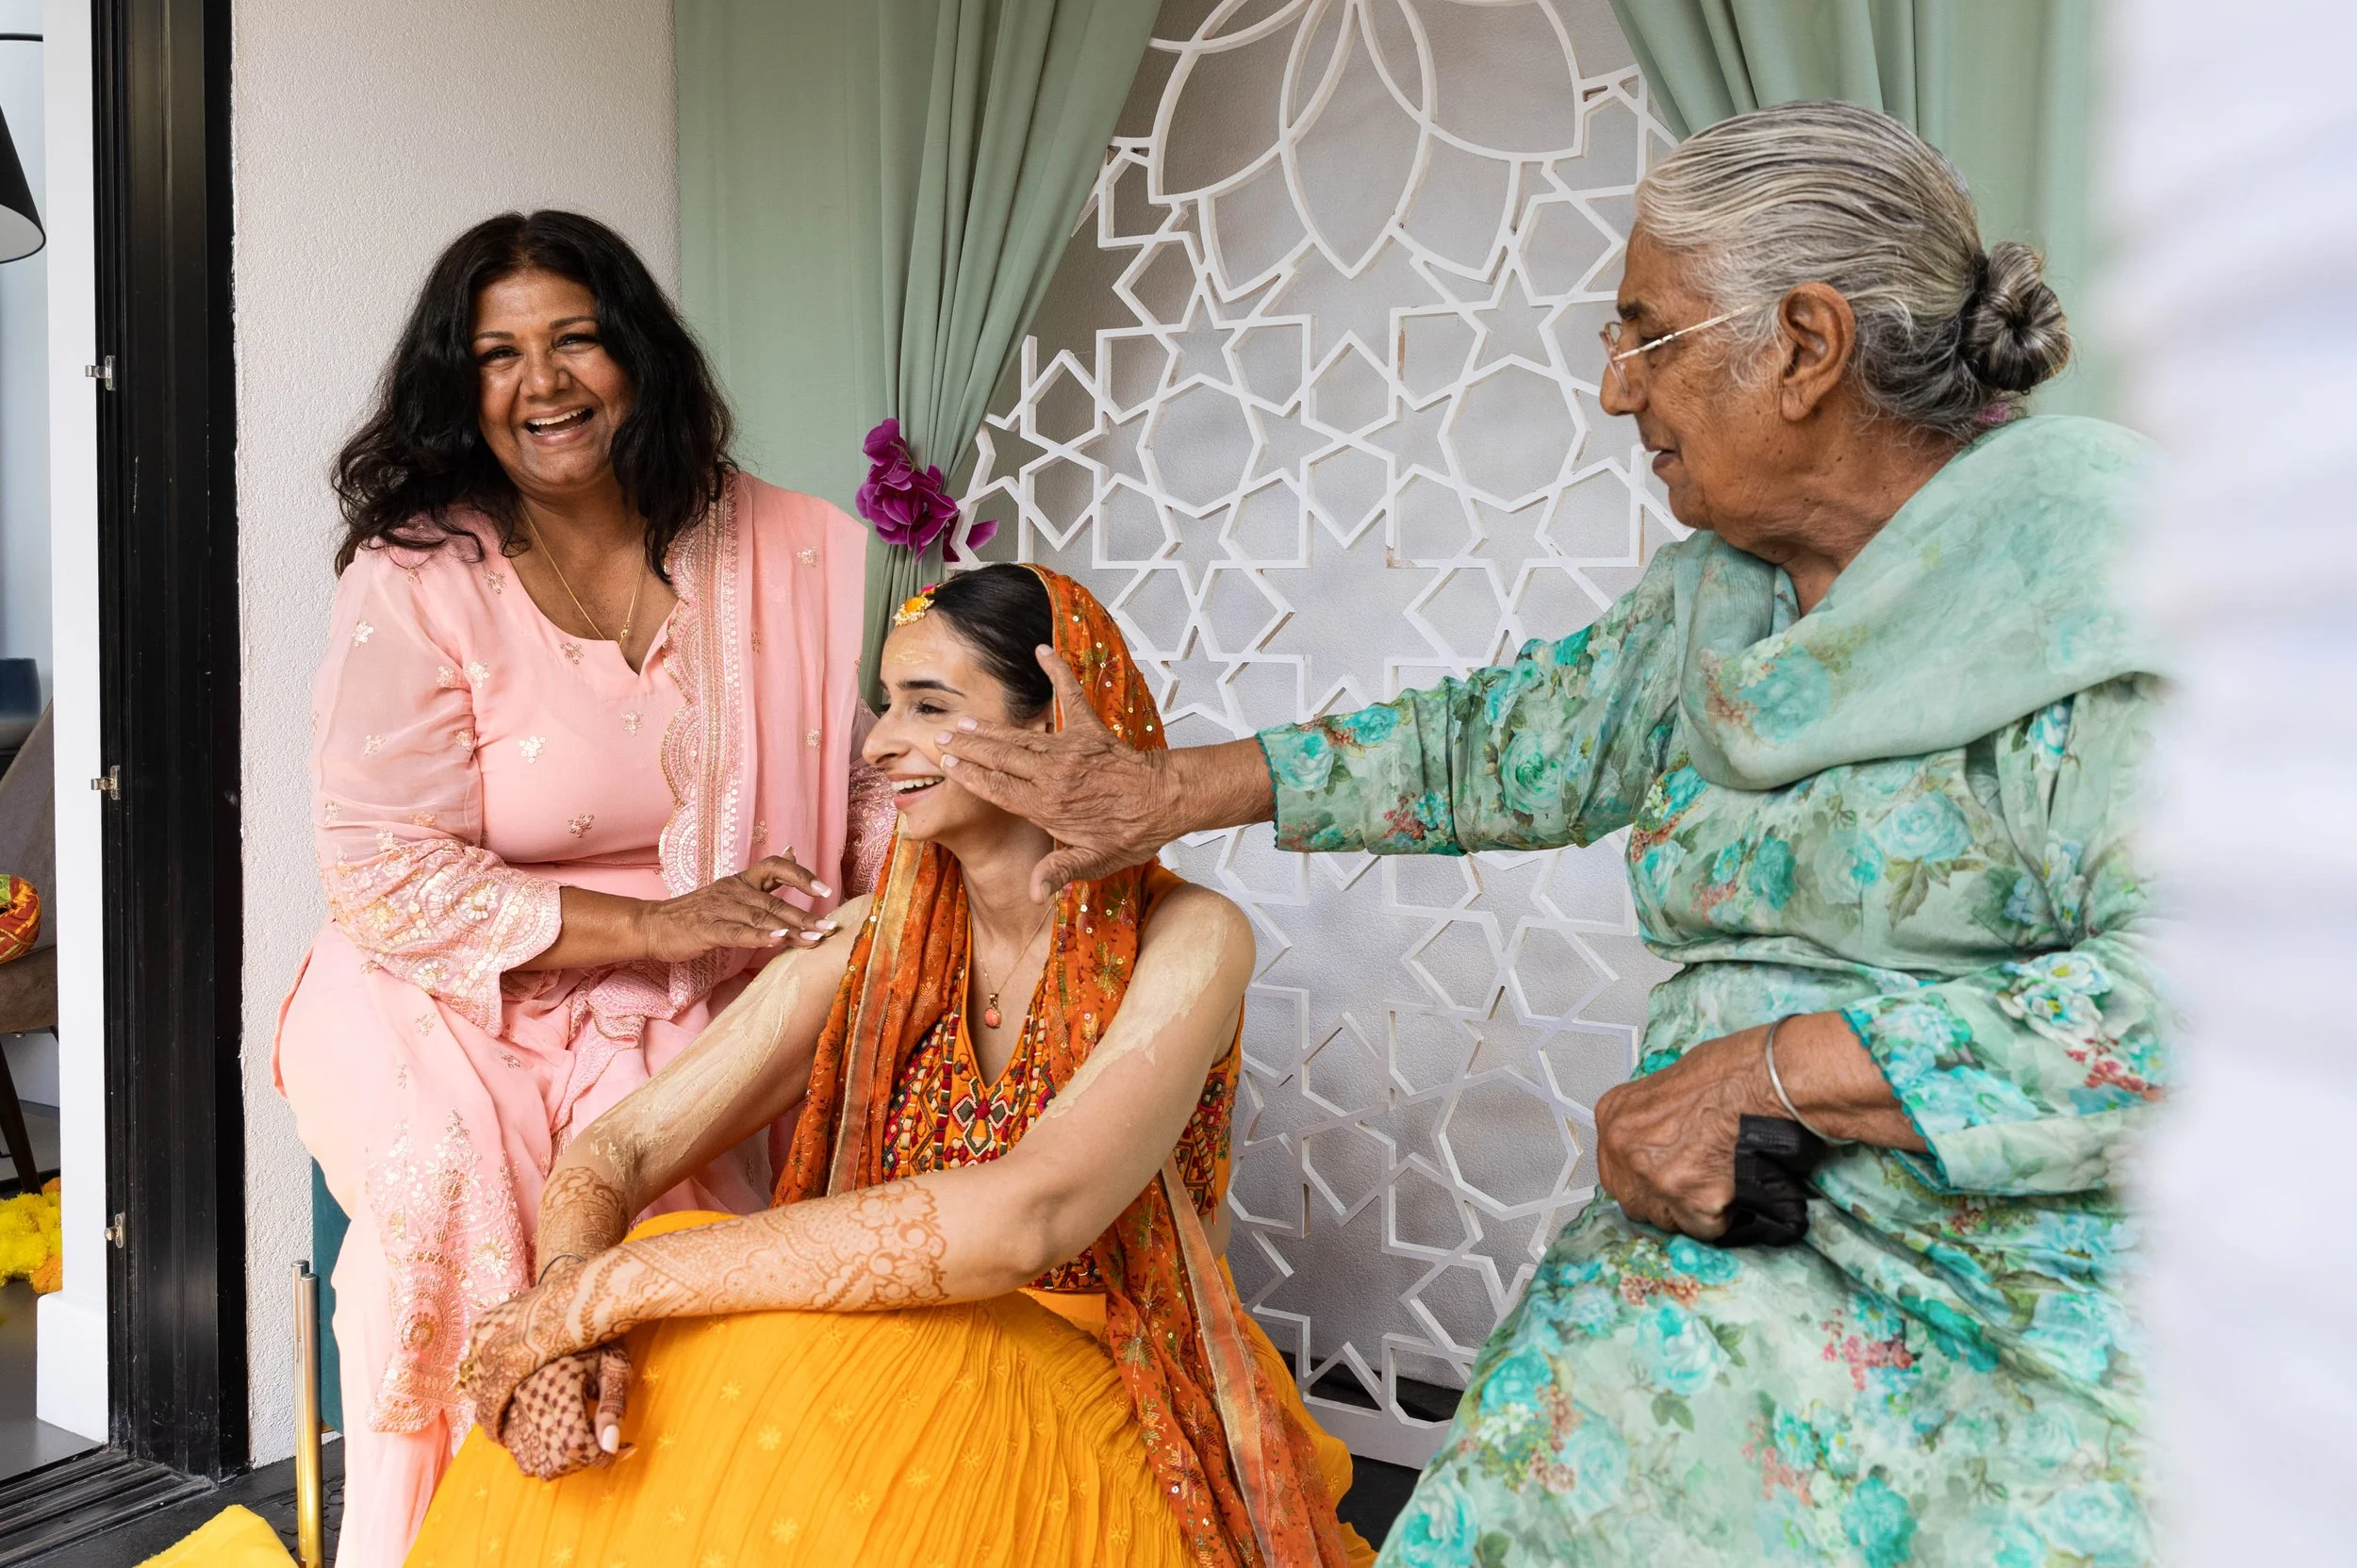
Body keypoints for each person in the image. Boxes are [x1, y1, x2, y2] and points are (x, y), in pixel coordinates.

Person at [939, 103, 2166, 1566]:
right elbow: (1497, 742)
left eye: (1647, 334)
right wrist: (1167, 792)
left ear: (1806, 345)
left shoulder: (2105, 583)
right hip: (1721, 1239)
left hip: (2012, 1288)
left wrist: (1773, 1073)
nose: (1611, 387)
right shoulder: (1720, 595)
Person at [400, 565, 1376, 1568]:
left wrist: (613, 1289)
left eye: (928, 706)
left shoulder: (1187, 940)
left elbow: (1030, 1215)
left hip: (1103, 1382)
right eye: (887, 702)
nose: (877, 743)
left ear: (1055, 728)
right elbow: (619, 1149)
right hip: (890, 1348)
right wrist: (574, 1320)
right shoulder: (873, 942)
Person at [273, 210, 890, 1567]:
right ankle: (451, 1539)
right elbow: (383, 865)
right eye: (499, 353)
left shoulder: (762, 546)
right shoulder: (418, 577)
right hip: (441, 972)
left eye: (575, 340)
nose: (541, 383)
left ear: (637, 356)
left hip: (692, 973)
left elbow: (846, 781)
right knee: (451, 1184)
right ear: (459, 383)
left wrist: (959, 849)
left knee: (679, 1229)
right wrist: (661, 921)